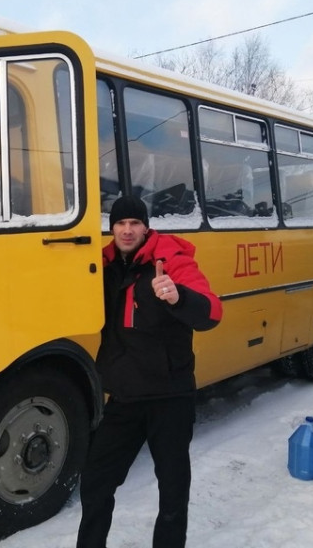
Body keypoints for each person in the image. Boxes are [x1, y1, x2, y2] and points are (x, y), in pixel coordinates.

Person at [76, 195, 222, 548]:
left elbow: (212, 313)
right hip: (125, 397)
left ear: (146, 226)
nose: (127, 230)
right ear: (112, 227)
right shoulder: (101, 264)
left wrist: (177, 296)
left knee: (172, 489)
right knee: (96, 481)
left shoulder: (171, 259)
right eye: (121, 223)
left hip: (169, 396)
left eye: (135, 224)